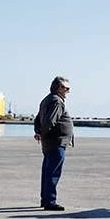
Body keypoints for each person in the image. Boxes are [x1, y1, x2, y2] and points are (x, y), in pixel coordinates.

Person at [33, 76, 74, 211]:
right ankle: (50, 201)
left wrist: (39, 132)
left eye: (68, 88)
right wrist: (41, 133)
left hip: (50, 142)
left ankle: (45, 199)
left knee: (47, 171)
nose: (68, 90)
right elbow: (50, 121)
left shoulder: (47, 99)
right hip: (56, 142)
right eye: (65, 88)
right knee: (53, 172)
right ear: (57, 87)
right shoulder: (56, 101)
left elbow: (38, 119)